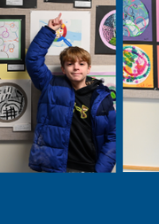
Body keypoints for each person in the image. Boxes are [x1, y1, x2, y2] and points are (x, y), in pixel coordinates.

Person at [25, 16, 116, 173]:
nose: (76, 68)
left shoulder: (102, 96)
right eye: (70, 64)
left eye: (81, 64)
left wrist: (102, 170)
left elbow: (114, 136)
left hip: (90, 168)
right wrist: (49, 31)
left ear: (88, 69)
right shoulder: (50, 85)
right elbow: (33, 60)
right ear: (63, 69)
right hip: (57, 166)